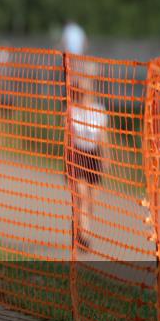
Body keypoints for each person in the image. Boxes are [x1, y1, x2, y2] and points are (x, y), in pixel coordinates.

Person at [66, 74, 110, 250]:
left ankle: (80, 228)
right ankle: (84, 236)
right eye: (80, 92)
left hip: (94, 156)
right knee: (82, 196)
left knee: (91, 200)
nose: (83, 95)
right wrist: (67, 162)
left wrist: (106, 158)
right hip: (78, 155)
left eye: (86, 92)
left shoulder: (99, 111)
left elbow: (103, 137)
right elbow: (68, 139)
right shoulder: (72, 111)